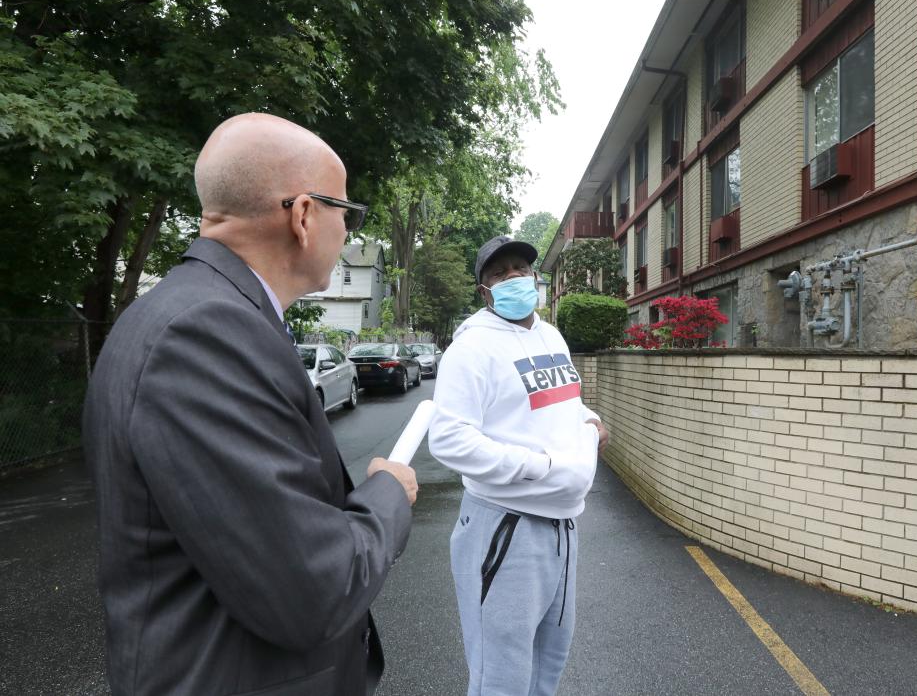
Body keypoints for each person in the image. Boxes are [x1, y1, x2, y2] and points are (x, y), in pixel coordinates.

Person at [82, 113, 417, 696]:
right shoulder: (206, 334)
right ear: (305, 216)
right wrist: (389, 494)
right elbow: (310, 591)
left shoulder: (195, 313)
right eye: (348, 212)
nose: (349, 231)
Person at [428, 235, 609, 696]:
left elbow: (566, 401)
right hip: (506, 529)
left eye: (520, 269)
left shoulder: (550, 335)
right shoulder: (470, 350)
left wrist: (589, 421)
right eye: (498, 273)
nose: (513, 277)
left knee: (548, 664)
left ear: (535, 277)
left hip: (563, 528)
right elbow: (448, 439)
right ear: (484, 291)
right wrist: (539, 467)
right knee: (502, 677)